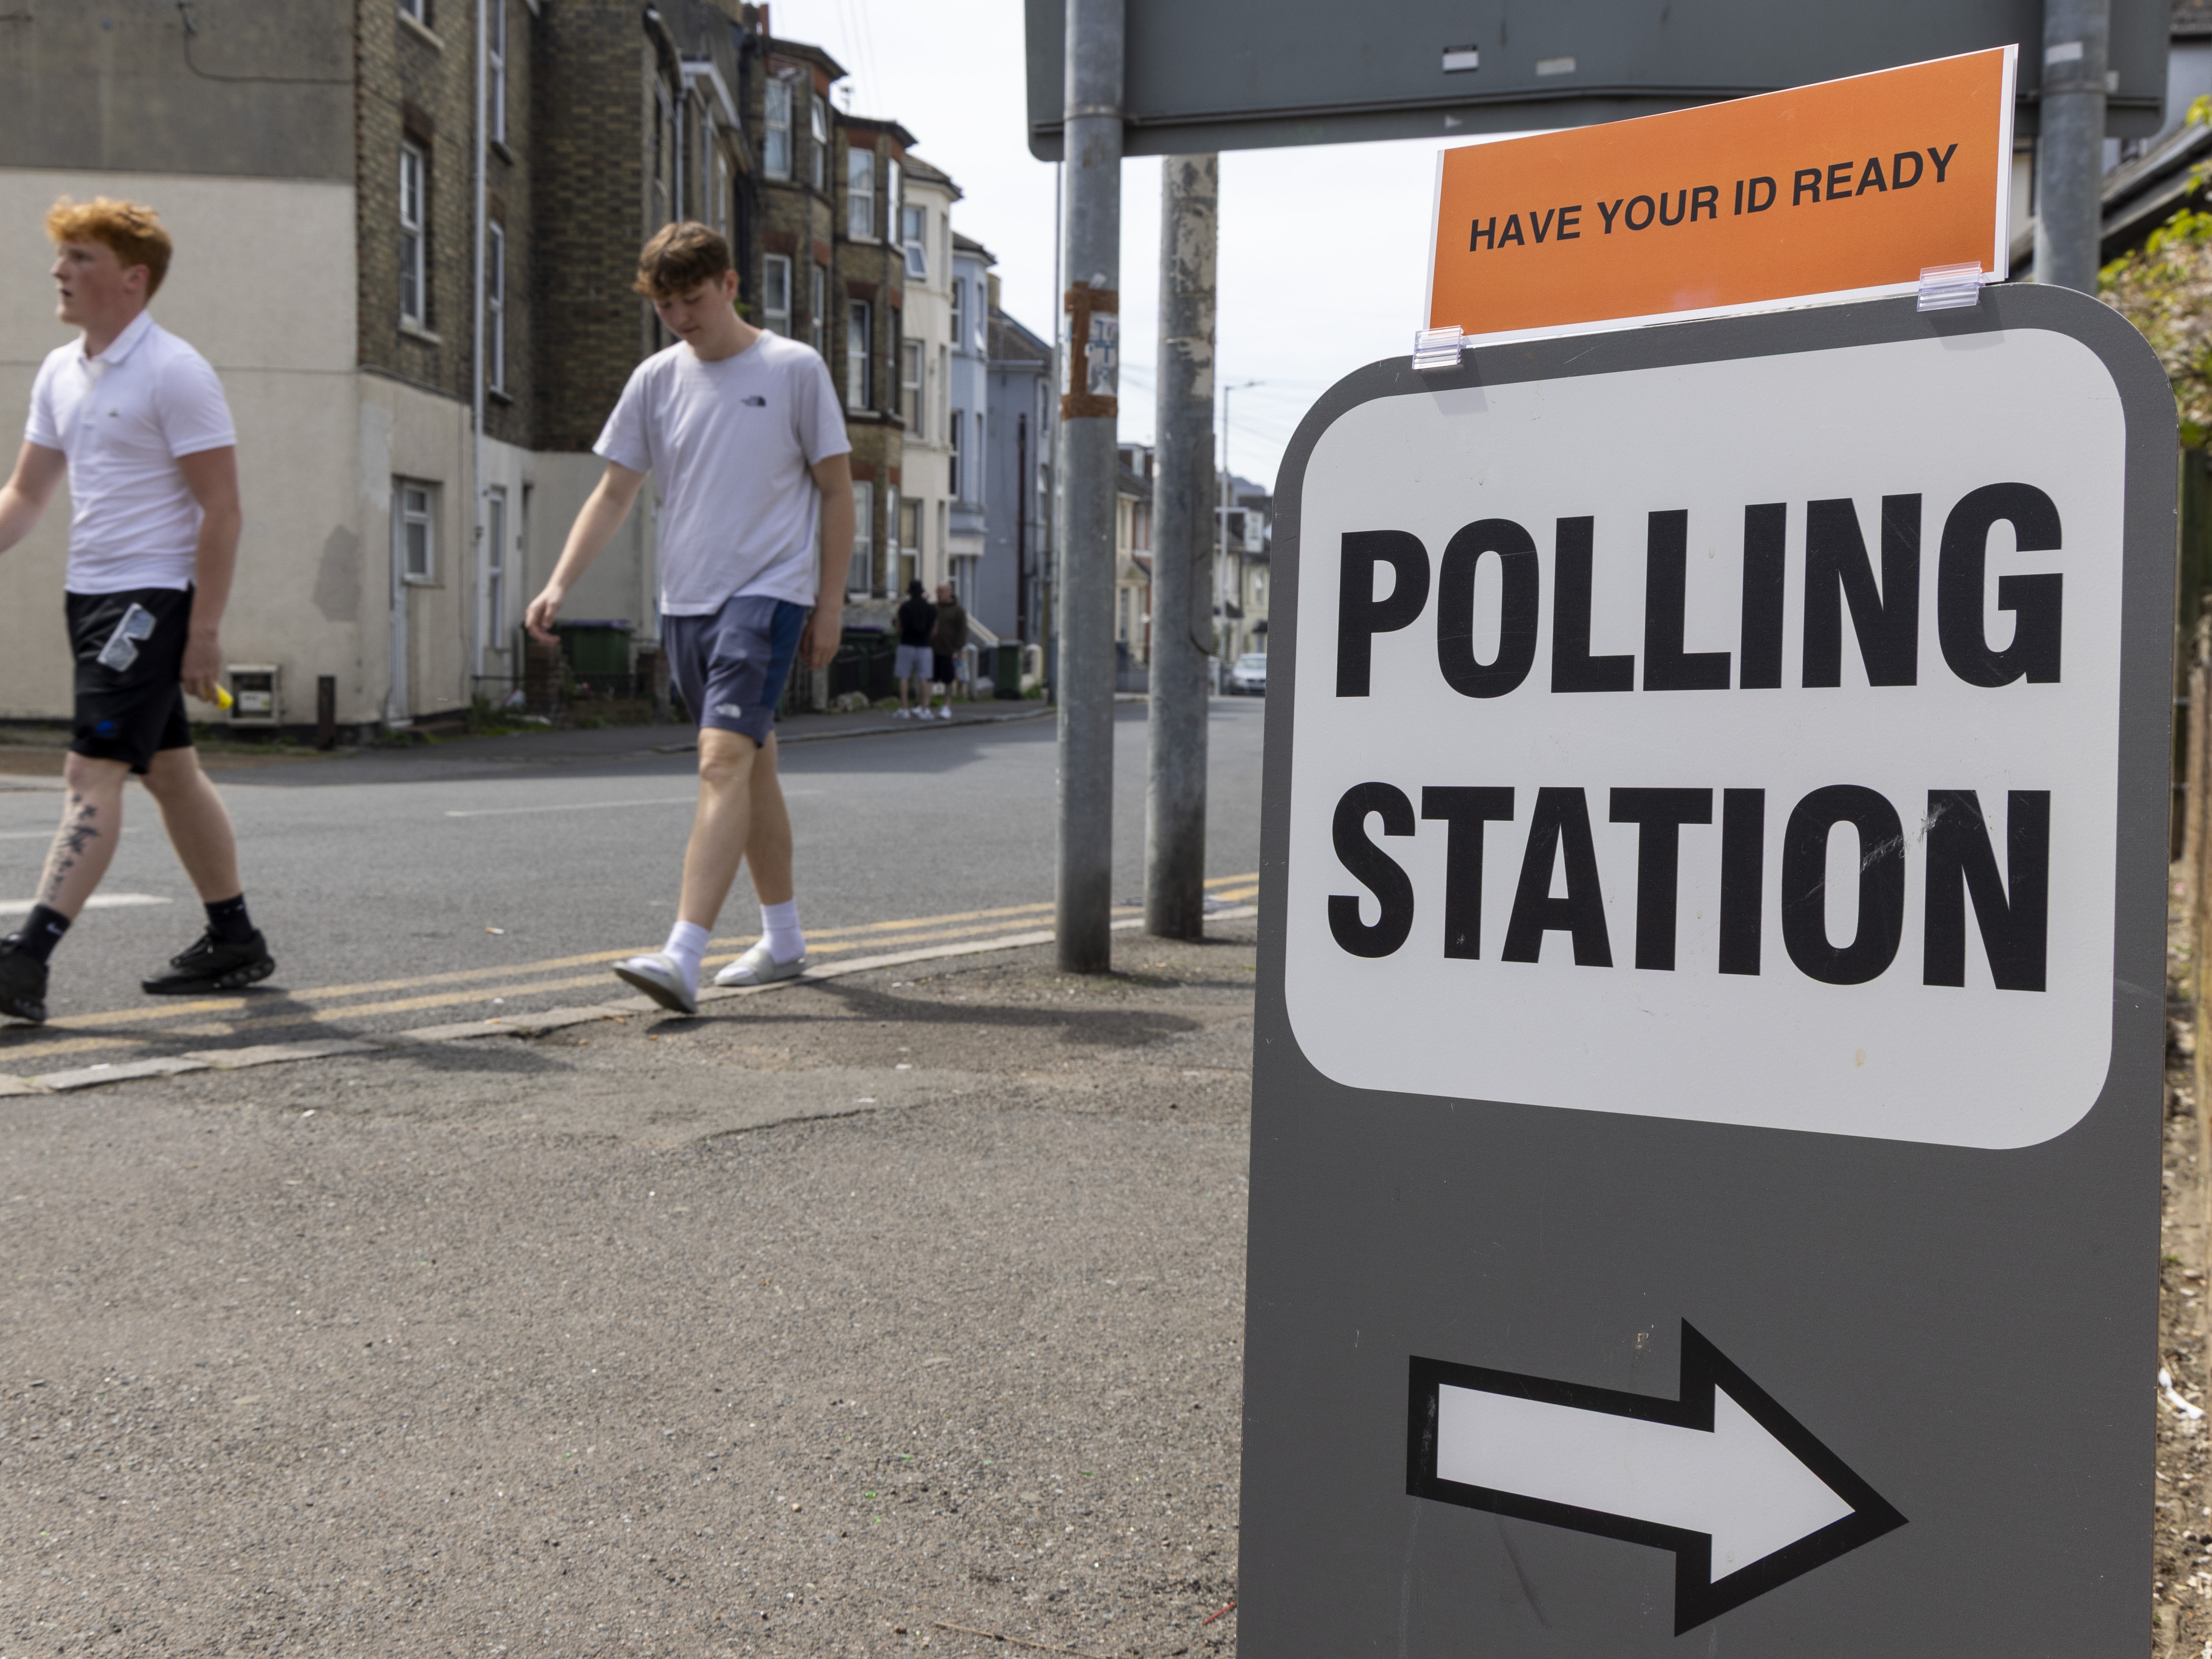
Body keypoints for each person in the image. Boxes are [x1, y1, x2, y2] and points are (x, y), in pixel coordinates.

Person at [524, 221, 852, 1016]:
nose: (681, 317)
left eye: (693, 299)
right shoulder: (656, 379)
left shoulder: (792, 368)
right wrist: (561, 581)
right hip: (686, 601)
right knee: (753, 767)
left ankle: (683, 955)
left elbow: (838, 490)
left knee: (719, 764)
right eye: (666, 304)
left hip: (766, 591)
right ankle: (784, 937)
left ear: (731, 284)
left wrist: (830, 604)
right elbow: (614, 491)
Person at [0, 197, 273, 1025]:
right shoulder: (60, 371)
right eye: (61, 256)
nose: (59, 270)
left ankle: (26, 959)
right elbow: (25, 493)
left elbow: (221, 509)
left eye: (79, 257)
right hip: (89, 595)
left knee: (92, 771)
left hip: (148, 603)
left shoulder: (176, 371)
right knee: (171, 773)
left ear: (132, 277)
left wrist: (204, 631)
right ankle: (234, 937)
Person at [893, 579, 935, 718]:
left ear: (910, 592)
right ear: (922, 592)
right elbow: (935, 631)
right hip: (924, 646)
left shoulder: (904, 608)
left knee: (904, 677)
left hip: (906, 644)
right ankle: (924, 709)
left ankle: (904, 709)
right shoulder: (931, 609)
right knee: (924, 677)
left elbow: (898, 629)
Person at [927, 580, 967, 720]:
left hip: (949, 650)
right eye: (938, 592)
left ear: (950, 592)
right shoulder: (933, 608)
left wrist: (959, 648)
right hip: (933, 649)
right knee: (929, 678)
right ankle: (925, 705)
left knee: (948, 680)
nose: (939, 595)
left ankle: (947, 706)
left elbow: (962, 631)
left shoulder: (958, 610)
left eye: (942, 592)